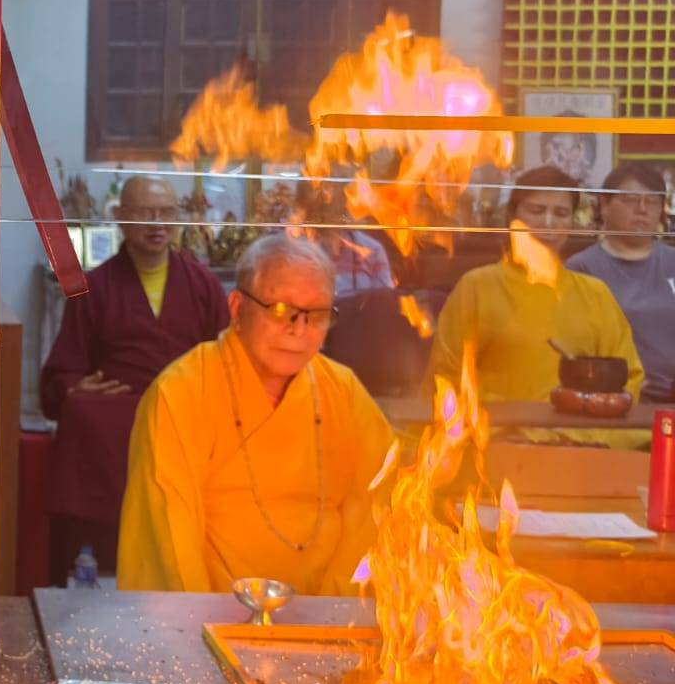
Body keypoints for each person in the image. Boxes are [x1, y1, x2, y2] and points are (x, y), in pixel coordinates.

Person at [117, 235, 393, 595]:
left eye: (317, 314)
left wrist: (336, 607)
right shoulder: (182, 390)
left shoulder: (344, 391)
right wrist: (202, 621)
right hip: (213, 611)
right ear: (236, 308)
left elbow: (379, 505)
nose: (298, 328)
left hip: (326, 612)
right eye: (279, 309)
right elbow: (169, 537)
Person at [41, 175, 229, 578]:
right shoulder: (95, 287)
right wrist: (76, 387)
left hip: (183, 413)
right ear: (122, 217)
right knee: (84, 412)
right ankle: (92, 557)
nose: (157, 224)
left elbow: (225, 357)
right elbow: (62, 371)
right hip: (118, 419)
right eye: (145, 213)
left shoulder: (203, 284)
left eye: (166, 214)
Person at [429, 165, 645, 445]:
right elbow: (446, 376)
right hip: (500, 437)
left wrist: (579, 434)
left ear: (571, 223)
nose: (548, 222)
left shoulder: (595, 293)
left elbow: (628, 378)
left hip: (584, 440)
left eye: (561, 213)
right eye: (536, 210)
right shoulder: (477, 287)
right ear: (512, 217)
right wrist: (514, 429)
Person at [568, 166, 674, 403]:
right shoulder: (582, 268)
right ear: (604, 205)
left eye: (652, 202)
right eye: (630, 200)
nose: (642, 209)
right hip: (614, 403)